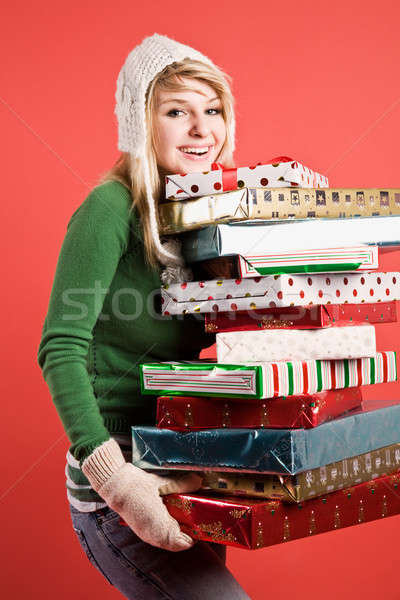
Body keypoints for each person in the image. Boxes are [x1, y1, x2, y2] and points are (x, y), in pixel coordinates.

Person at [37, 33, 250, 599]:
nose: (202, 129)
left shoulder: (201, 217)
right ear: (138, 123)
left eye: (213, 110)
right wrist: (118, 483)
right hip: (125, 481)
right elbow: (59, 349)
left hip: (187, 465)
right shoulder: (109, 210)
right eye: (177, 111)